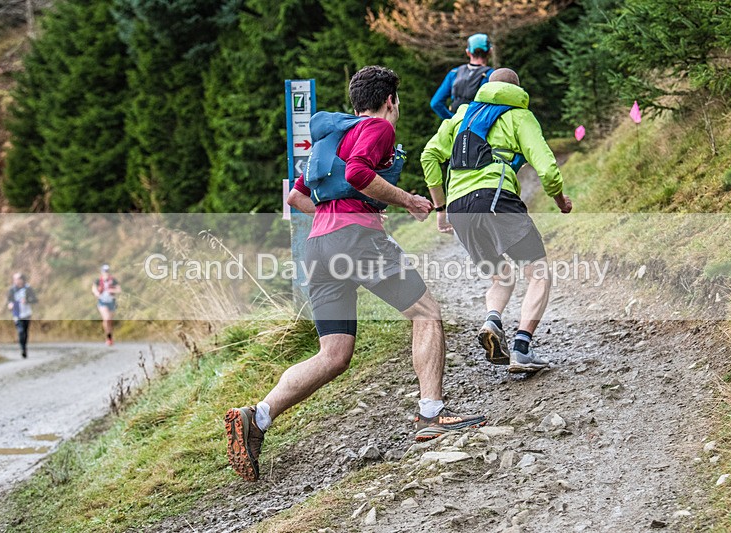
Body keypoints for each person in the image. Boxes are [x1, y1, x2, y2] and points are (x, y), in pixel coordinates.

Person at [225, 65, 486, 482]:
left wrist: (336, 221)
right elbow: (359, 174)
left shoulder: (332, 134)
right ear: (390, 101)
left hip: (318, 248)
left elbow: (296, 195)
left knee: (334, 355)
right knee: (426, 313)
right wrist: (408, 201)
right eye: (396, 103)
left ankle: (257, 417)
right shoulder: (379, 127)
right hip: (355, 240)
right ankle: (432, 414)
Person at [421, 68, 572, 372]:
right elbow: (546, 167)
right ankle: (522, 348)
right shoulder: (519, 116)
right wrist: (559, 200)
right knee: (539, 274)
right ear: (517, 90)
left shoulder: (461, 115)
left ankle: (492, 321)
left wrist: (441, 209)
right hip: (495, 199)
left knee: (501, 275)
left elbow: (428, 156)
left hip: (461, 209)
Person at [430, 33, 494, 120]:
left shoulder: (454, 73)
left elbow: (435, 103)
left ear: (468, 52)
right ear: (490, 51)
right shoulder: (492, 75)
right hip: (478, 126)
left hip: (456, 128)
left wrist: (453, 119)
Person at [7, 272, 37, 358]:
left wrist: (27, 300)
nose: (15, 281)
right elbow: (9, 300)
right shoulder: (12, 289)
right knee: (20, 331)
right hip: (17, 313)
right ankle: (22, 349)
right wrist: (10, 305)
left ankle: (25, 347)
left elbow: (34, 299)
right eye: (14, 279)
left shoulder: (28, 288)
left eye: (16, 279)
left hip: (27, 313)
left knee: (25, 331)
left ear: (21, 280)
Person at [92, 264, 120, 346]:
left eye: (107, 271)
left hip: (111, 302)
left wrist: (111, 289)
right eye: (104, 271)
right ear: (102, 272)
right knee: (106, 319)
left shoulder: (113, 280)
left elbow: (119, 290)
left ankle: (110, 337)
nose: (106, 273)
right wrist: (96, 293)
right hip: (102, 302)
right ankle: (108, 338)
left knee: (109, 321)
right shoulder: (98, 281)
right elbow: (93, 289)